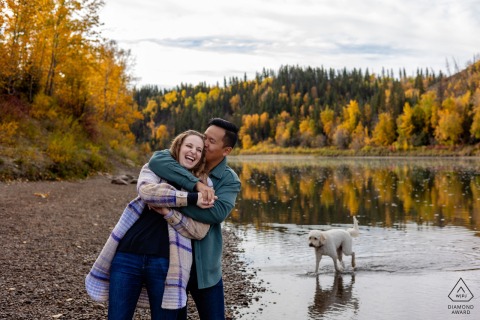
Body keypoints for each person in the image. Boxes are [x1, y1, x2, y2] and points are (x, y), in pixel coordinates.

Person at [86, 130, 215, 320]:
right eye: (189, 146)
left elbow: (200, 230)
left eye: (199, 149)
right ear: (178, 147)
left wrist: (168, 212)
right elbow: (147, 193)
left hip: (167, 262)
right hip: (127, 255)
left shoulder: (205, 184)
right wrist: (191, 198)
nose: (193, 152)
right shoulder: (154, 168)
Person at [148, 118, 241, 320]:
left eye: (211, 141)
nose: (204, 143)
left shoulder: (229, 179)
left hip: (205, 268)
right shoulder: (186, 157)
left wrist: (171, 203)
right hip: (171, 262)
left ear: (226, 151)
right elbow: (156, 160)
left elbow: (216, 213)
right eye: (204, 136)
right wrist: (196, 187)